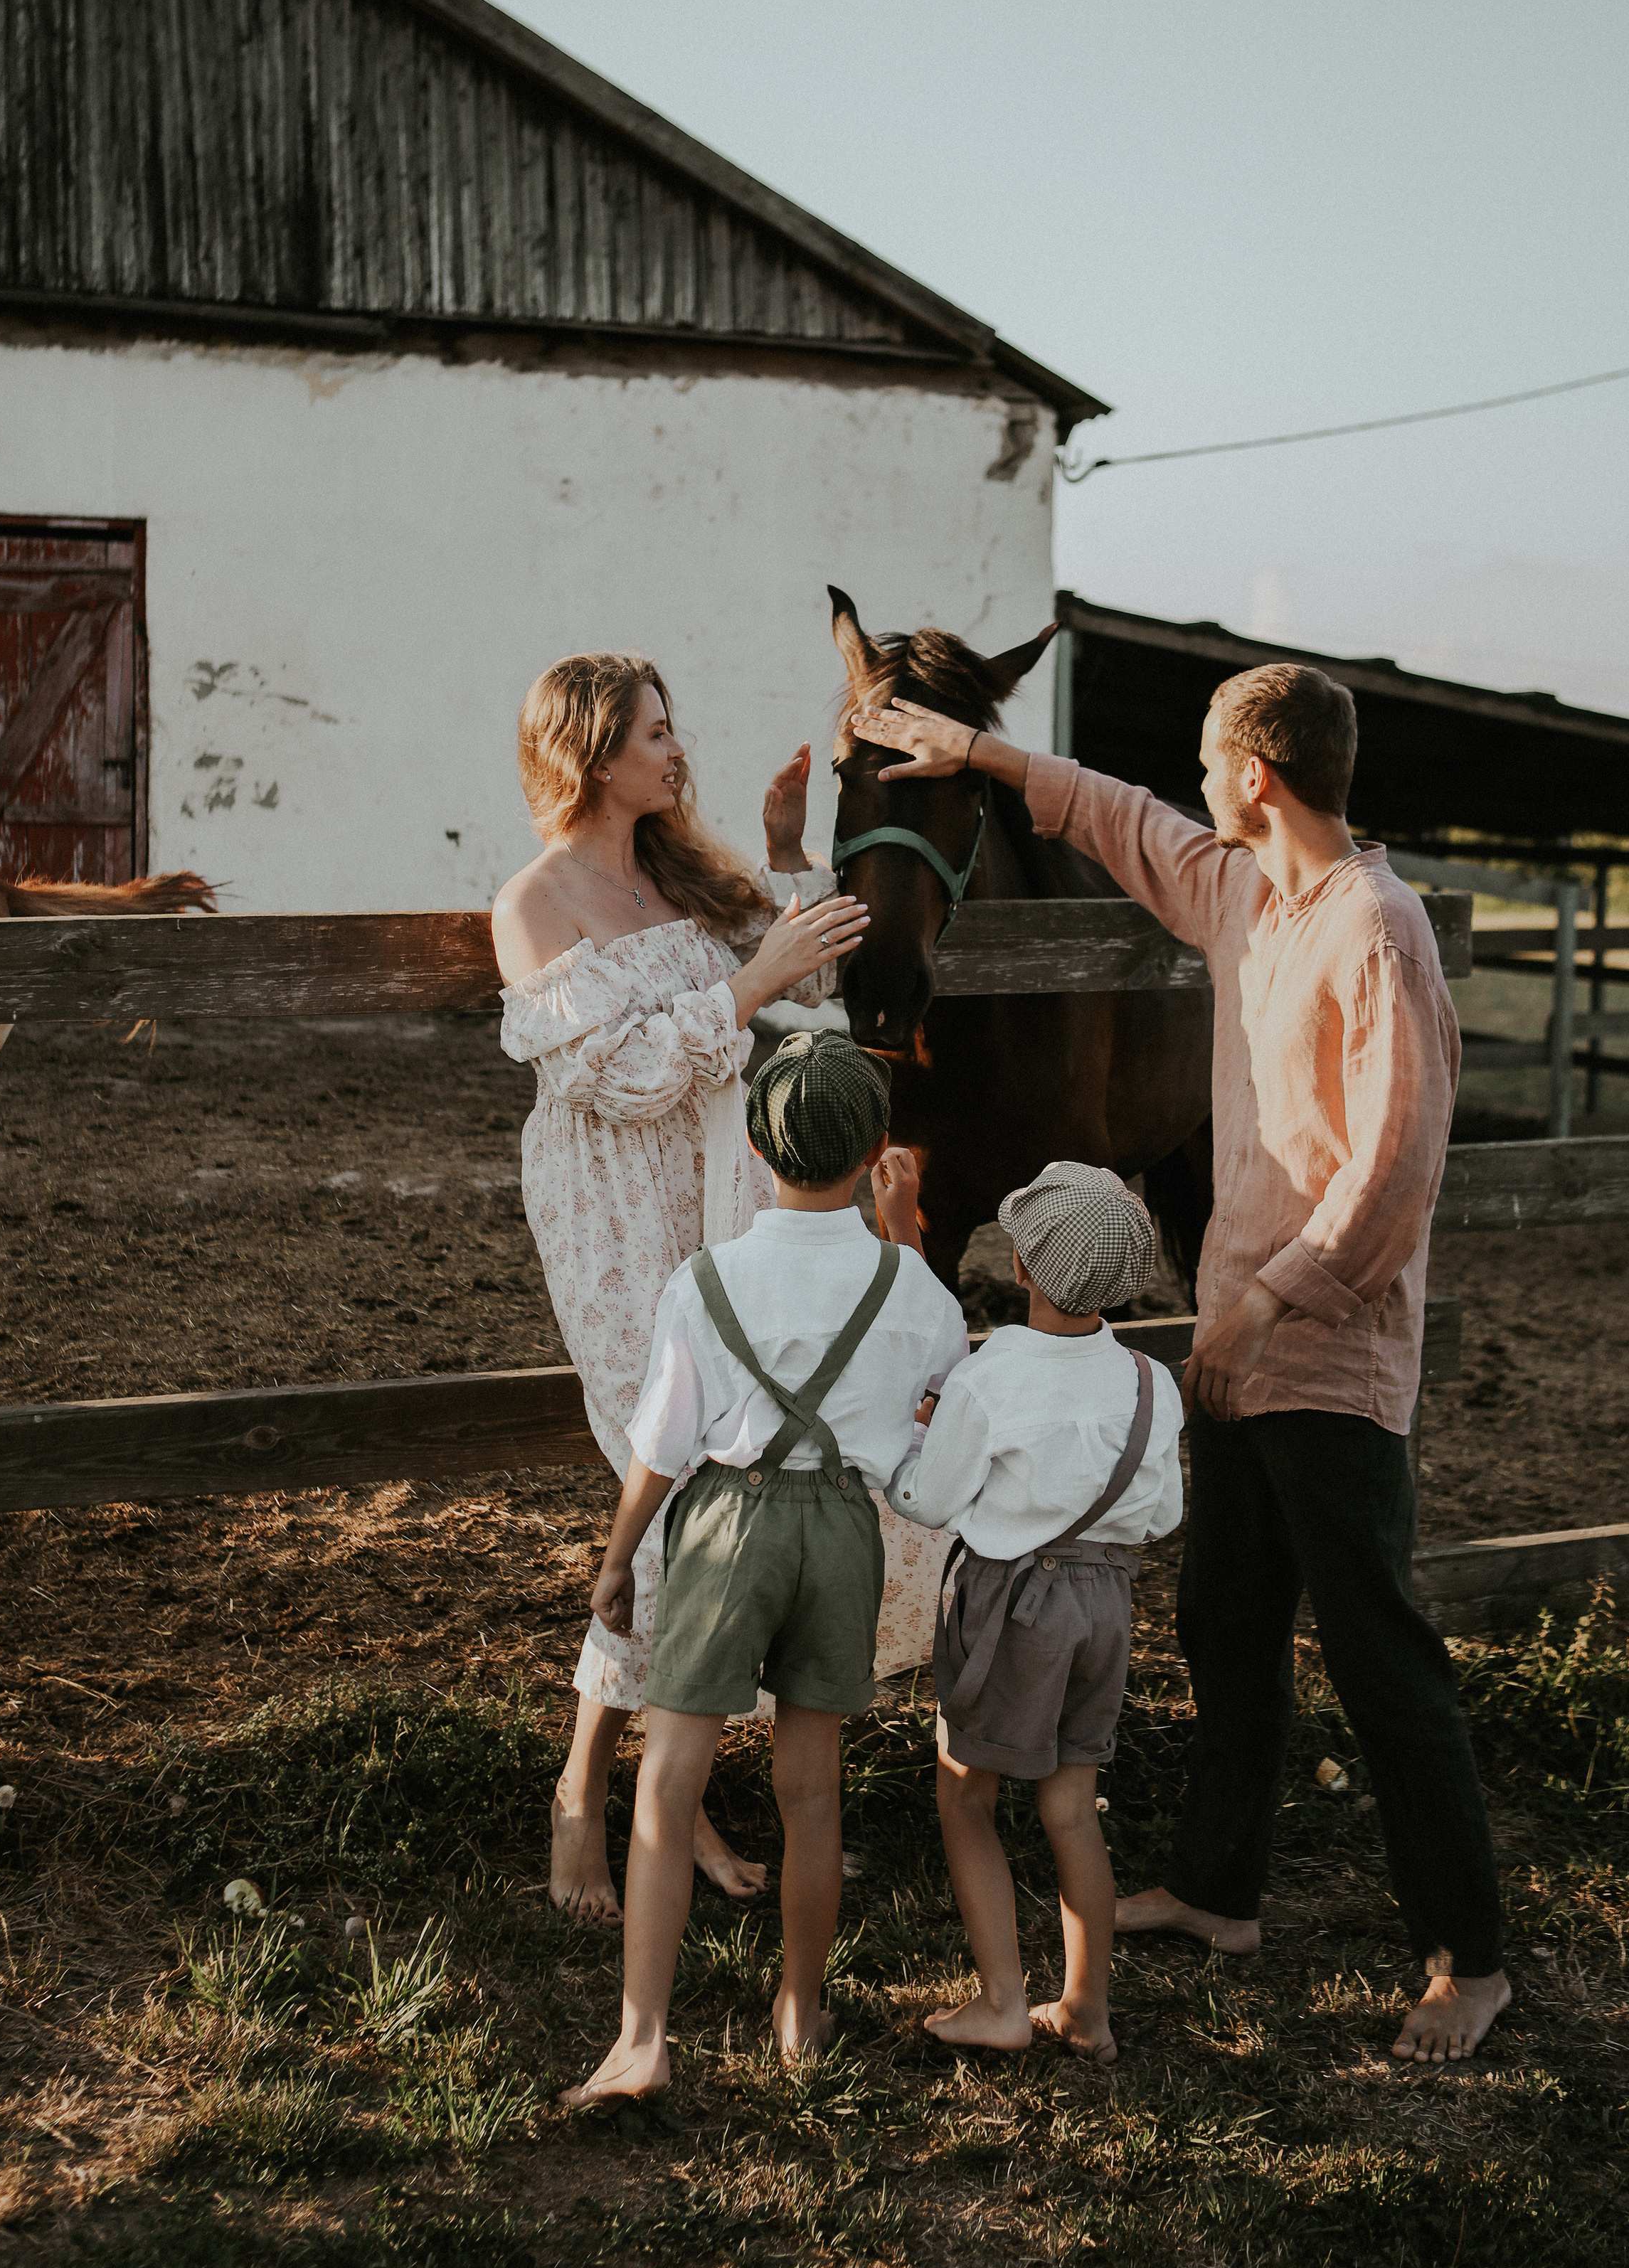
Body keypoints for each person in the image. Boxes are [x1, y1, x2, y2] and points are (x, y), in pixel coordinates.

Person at [853, 661, 1511, 2065]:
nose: (1194, 790)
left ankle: (1470, 1955)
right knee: (1223, 1620)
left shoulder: (1376, 934)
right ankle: (1219, 1890)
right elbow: (1114, 819)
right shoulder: (1244, 897)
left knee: (1378, 1652)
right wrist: (976, 750)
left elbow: (1395, 1166)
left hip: (1323, 1359)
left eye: (1209, 765)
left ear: (1254, 778)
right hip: (1236, 1349)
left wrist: (1270, 1301)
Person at [492, 653, 870, 1920]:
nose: (676, 748)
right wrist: (746, 988)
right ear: (597, 756)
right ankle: (581, 1796)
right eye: (655, 732)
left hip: (722, 1206)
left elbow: (810, 991)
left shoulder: (687, 876)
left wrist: (784, 853)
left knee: (723, 1493)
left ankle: (679, 1793)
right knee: (656, 1507)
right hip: (612, 1219)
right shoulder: (537, 902)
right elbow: (619, 1077)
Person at [561, 1030, 970, 2107]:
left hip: (724, 1526)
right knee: (813, 1790)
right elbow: (934, 1409)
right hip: (842, 1529)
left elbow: (661, 1441)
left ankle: (642, 2041)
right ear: (876, 1146)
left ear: (755, 1144)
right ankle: (798, 2006)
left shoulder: (706, 1281)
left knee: (670, 1776)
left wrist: (617, 1563)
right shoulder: (918, 1293)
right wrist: (899, 1230)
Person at [888, 1161, 1183, 2067]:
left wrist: (917, 1442)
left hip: (1011, 1602)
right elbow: (1165, 1515)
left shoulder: (993, 1372)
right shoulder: (1150, 1380)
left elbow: (929, 1504)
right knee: (1071, 1806)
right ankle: (1086, 2008)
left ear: (1018, 1268)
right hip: (1105, 1603)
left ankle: (1003, 2000)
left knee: (965, 1794)